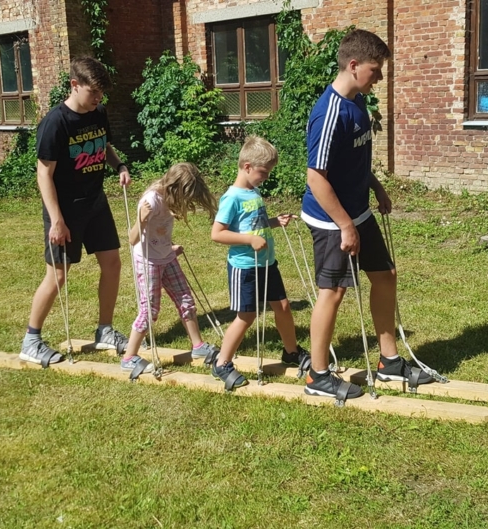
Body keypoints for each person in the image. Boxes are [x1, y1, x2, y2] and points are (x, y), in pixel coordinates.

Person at [301, 29, 434, 400]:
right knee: (334, 292)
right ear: (354, 65)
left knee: (385, 276)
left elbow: (351, 160)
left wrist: (375, 186)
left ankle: (389, 364)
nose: (379, 77)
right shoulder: (329, 113)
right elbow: (316, 177)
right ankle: (318, 377)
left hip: (357, 210)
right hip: (331, 218)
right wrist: (345, 225)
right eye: (375, 70)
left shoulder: (358, 101)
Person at [19, 56, 132, 366]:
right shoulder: (55, 123)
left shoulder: (98, 113)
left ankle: (105, 331)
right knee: (57, 274)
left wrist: (118, 164)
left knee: (112, 263)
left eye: (101, 94)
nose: (98, 99)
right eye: (93, 92)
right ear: (74, 85)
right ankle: (31, 340)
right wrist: (57, 220)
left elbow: (103, 145)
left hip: (95, 202)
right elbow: (43, 174)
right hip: (66, 209)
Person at [210, 136, 311, 390]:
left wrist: (275, 221)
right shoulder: (231, 198)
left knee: (284, 306)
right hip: (244, 267)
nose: (266, 178)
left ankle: (291, 352)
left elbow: (256, 223)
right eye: (263, 172)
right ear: (246, 167)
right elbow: (217, 233)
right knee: (246, 316)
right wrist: (248, 240)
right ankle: (222, 363)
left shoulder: (253, 192)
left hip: (267, 263)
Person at [121, 162, 220, 374]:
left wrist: (169, 246)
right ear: (176, 189)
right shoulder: (150, 201)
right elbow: (132, 239)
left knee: (186, 300)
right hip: (147, 261)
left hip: (166, 256)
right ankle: (129, 357)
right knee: (150, 311)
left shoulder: (169, 199)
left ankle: (198, 347)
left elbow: (160, 230)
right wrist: (142, 221)